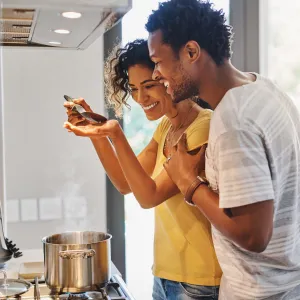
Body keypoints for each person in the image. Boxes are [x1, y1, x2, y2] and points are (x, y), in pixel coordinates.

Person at [145, 0, 300, 299]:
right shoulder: (265, 89)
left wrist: (188, 182)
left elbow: (254, 235)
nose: (156, 74)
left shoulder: (233, 120)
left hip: (257, 292)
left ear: (191, 52)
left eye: (159, 62)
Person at [63, 39, 221, 300]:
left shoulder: (202, 127)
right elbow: (126, 183)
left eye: (149, 86)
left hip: (198, 280)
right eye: (134, 89)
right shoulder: (167, 127)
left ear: (170, 78)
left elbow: (149, 196)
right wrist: (97, 134)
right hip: (166, 274)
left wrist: (115, 133)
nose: (140, 98)